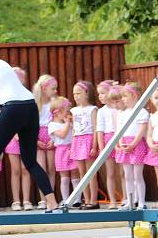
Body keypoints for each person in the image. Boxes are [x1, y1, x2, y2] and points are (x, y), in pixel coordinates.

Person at [0, 36, 60, 219]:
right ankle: (53, 203)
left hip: (13, 108)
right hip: (29, 107)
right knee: (30, 160)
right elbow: (12, 92)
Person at [114, 82, 149, 210]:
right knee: (127, 175)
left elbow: (142, 129)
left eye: (125, 96)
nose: (123, 99)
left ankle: (141, 202)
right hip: (124, 144)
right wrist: (118, 143)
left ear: (134, 95)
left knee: (137, 175)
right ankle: (130, 200)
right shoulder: (122, 113)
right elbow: (119, 129)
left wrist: (133, 144)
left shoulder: (142, 112)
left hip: (136, 144)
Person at [4, 67, 32, 210]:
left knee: (25, 168)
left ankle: (26, 200)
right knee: (15, 170)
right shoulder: (6, 97)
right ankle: (16, 200)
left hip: (25, 137)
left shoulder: (28, 97)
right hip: (12, 139)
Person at [70, 80, 99, 209]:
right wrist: (72, 146)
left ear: (87, 93)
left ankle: (93, 200)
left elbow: (95, 128)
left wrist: (94, 146)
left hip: (88, 140)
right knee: (82, 173)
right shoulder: (74, 110)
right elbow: (74, 130)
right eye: (74, 94)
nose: (76, 96)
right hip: (77, 141)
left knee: (91, 172)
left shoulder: (92, 109)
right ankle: (86, 199)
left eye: (79, 93)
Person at [48, 96, 79, 205]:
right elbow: (62, 135)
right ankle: (66, 200)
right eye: (66, 111)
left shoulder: (68, 123)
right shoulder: (52, 125)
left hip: (72, 148)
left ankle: (77, 199)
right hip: (61, 151)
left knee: (75, 175)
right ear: (57, 113)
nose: (68, 113)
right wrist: (67, 124)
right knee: (64, 177)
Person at [33, 75, 58, 209]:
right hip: (38, 136)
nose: (55, 91)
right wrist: (36, 140)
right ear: (44, 88)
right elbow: (31, 124)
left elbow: (58, 120)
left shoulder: (54, 103)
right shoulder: (35, 103)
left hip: (51, 134)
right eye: (53, 89)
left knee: (51, 169)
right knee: (41, 168)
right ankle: (43, 199)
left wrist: (54, 139)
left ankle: (51, 198)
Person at [98, 83, 122, 209]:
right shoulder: (101, 111)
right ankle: (112, 200)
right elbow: (99, 130)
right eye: (99, 93)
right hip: (108, 139)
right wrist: (102, 148)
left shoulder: (119, 108)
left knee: (123, 172)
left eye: (102, 93)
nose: (100, 96)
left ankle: (128, 198)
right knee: (110, 173)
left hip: (120, 138)